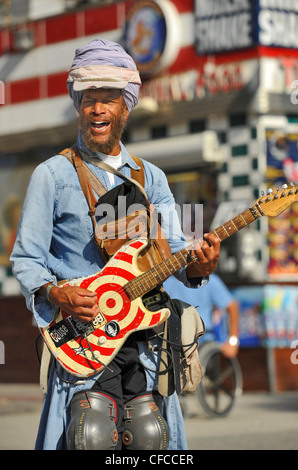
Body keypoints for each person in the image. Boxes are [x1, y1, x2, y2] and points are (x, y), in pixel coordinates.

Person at [10, 39, 220, 451]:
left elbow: (175, 251)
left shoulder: (152, 179)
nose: (97, 109)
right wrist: (57, 292)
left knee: (149, 438)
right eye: (89, 98)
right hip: (85, 340)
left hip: (146, 340)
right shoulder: (50, 176)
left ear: (126, 106)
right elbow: (26, 258)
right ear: (78, 104)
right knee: (91, 435)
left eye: (109, 99)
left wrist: (198, 267)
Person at [163, 273, 239, 358]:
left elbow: (232, 306)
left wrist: (232, 342)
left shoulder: (210, 280)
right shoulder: (165, 282)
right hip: (173, 341)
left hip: (203, 343)